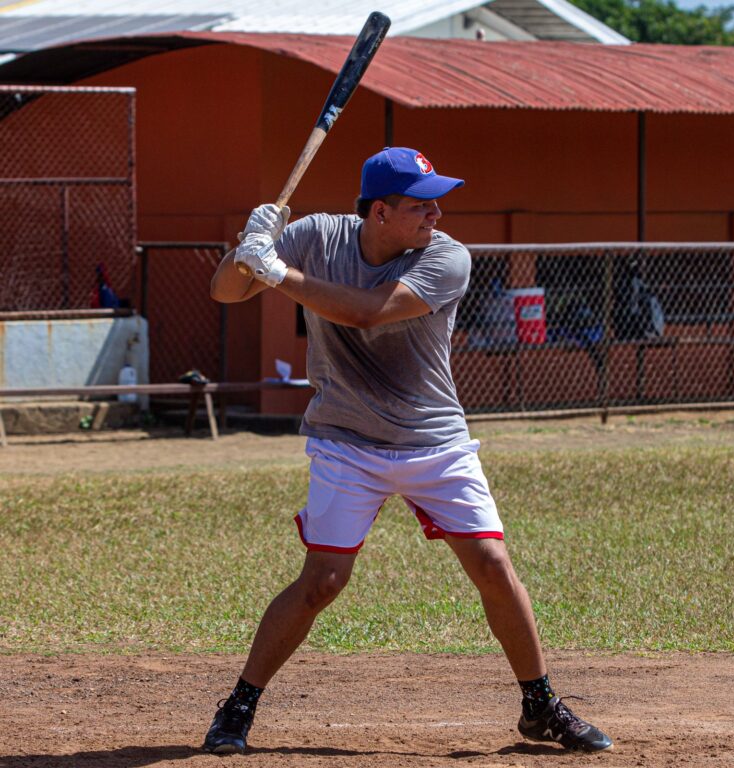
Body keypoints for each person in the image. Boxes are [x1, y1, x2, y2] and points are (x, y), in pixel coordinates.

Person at [203, 147, 613, 755]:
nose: (436, 214)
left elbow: (370, 313)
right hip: (347, 439)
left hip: (433, 440)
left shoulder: (446, 257)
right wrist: (247, 251)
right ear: (379, 212)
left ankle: (540, 705)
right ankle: (238, 706)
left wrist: (278, 273)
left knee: (493, 566)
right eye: (421, 205)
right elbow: (225, 292)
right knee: (322, 582)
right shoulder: (318, 236)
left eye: (436, 203)